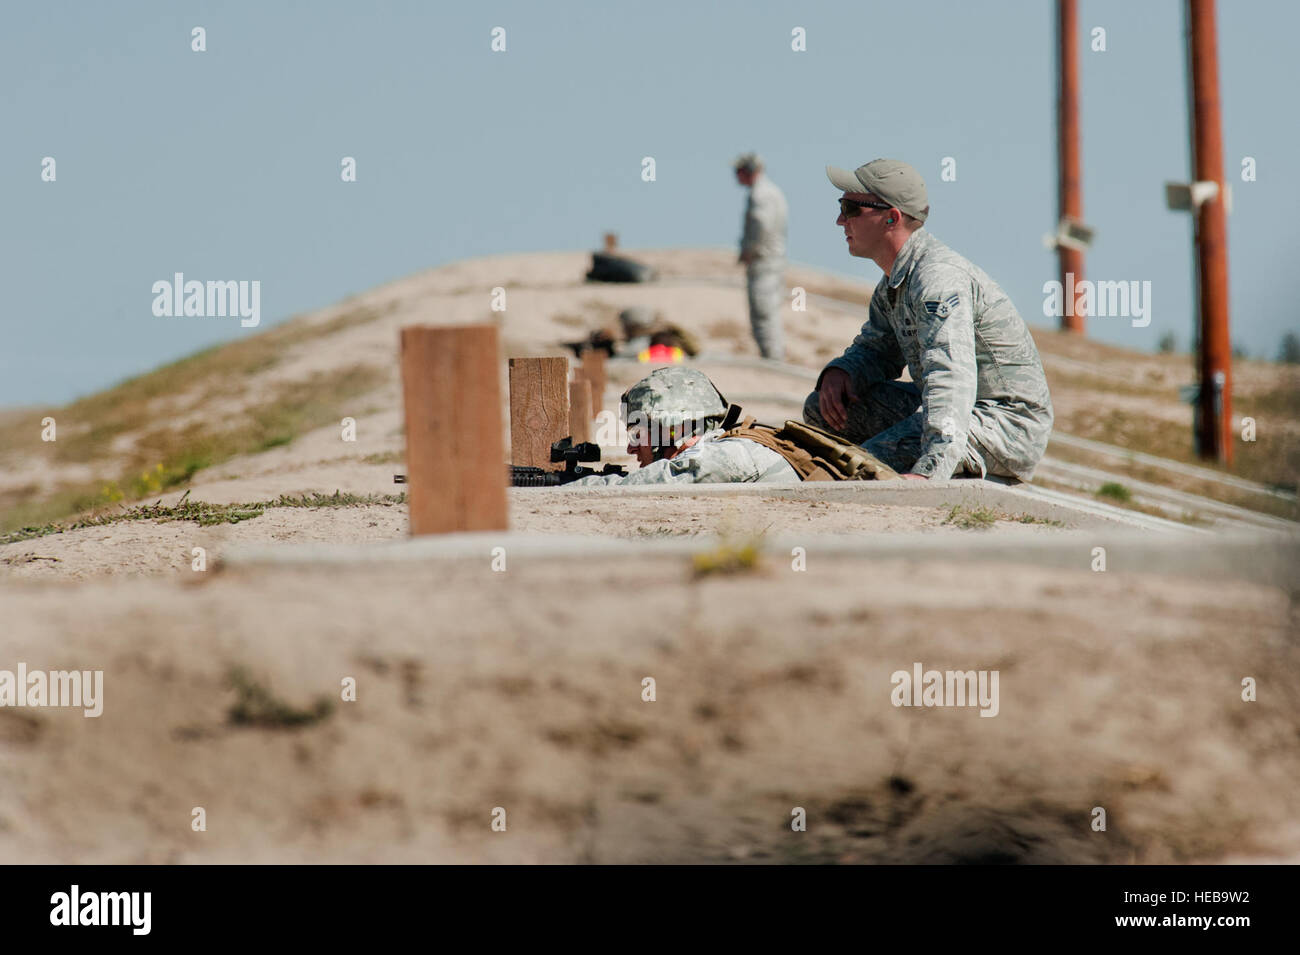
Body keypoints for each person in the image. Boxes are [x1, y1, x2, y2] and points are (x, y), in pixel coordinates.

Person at [805, 158, 1053, 482]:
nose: (840, 220)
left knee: (863, 468)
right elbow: (879, 349)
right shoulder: (895, 282)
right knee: (821, 410)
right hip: (954, 409)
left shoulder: (938, 280)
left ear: (891, 218)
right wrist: (843, 372)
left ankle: (959, 467)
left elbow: (950, 376)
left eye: (851, 208)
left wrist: (930, 470)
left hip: (1004, 425)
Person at [572, 367, 799, 486]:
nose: (631, 449)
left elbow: (633, 488)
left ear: (674, 428)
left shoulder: (724, 456)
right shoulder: (731, 448)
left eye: (637, 434)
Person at [734, 153, 788, 361]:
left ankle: (772, 359)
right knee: (769, 310)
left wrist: (750, 249)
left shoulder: (760, 194)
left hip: (763, 261)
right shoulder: (772, 191)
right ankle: (774, 356)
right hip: (772, 260)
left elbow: (761, 224)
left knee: (763, 312)